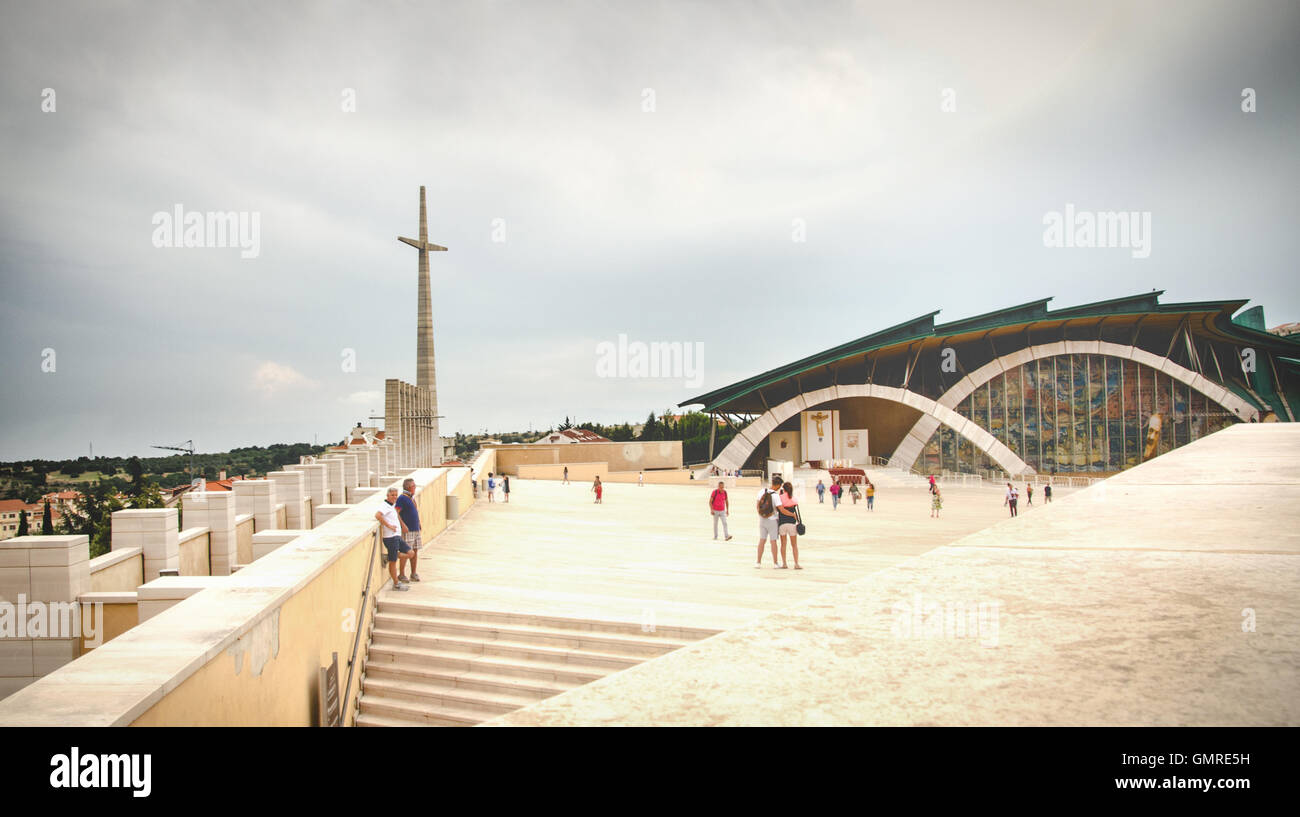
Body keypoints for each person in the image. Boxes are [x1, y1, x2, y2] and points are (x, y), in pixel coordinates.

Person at [375, 487, 411, 590]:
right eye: (392, 495)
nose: (394, 497)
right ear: (387, 495)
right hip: (390, 537)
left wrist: (402, 526)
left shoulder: (392, 505)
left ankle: (389, 556)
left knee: (410, 553)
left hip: (397, 536)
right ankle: (396, 584)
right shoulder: (384, 506)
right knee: (393, 562)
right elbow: (378, 515)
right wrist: (389, 526)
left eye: (396, 495)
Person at [395, 477, 422, 582]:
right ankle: (401, 574)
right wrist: (403, 525)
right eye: (413, 486)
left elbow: (415, 511)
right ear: (408, 487)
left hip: (415, 529)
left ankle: (413, 573)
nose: (415, 487)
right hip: (408, 530)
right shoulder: (402, 498)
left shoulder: (411, 498)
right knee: (406, 551)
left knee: (415, 551)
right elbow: (396, 512)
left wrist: (419, 523)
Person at [755, 475, 782, 568]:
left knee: (762, 540)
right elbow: (780, 509)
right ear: (778, 485)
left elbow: (757, 505)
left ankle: (758, 562)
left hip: (762, 519)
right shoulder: (776, 495)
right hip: (772, 520)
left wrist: (762, 515)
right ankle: (775, 563)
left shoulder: (762, 491)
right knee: (773, 541)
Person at [776, 481, 801, 570]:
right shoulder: (793, 498)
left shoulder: (780, 498)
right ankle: (796, 564)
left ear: (784, 489)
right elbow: (796, 509)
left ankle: (784, 563)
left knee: (783, 544)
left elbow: (778, 509)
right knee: (794, 545)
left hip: (782, 523)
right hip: (792, 524)